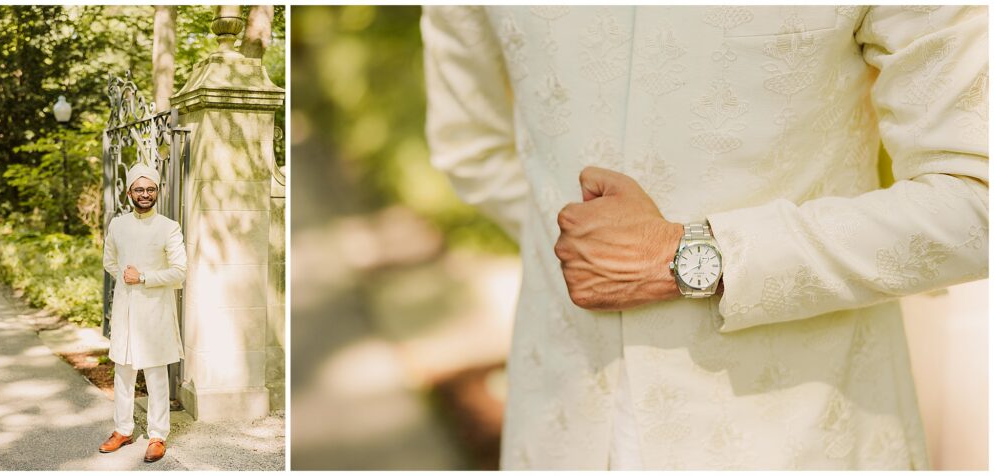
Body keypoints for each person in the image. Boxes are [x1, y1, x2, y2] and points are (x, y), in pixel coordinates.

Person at [421, 5, 988, 470]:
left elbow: (976, 202)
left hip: (803, 433)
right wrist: (588, 251)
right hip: (559, 429)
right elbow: (470, 149)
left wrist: (692, 257)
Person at [99, 163, 186, 463]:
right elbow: (109, 260)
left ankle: (157, 436)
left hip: (155, 311)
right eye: (139, 189)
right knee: (123, 372)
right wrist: (126, 277)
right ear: (129, 192)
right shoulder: (118, 225)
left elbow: (179, 272)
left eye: (150, 189)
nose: (145, 194)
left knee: (156, 375)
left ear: (157, 191)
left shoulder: (168, 226)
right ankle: (122, 430)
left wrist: (144, 278)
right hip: (125, 308)